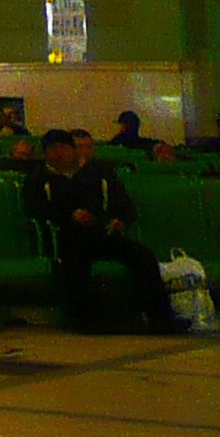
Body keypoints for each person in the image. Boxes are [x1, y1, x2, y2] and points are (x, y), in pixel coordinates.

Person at [22, 129, 180, 333]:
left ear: (72, 150)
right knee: (75, 261)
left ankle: (160, 320)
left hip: (101, 235)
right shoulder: (38, 179)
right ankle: (83, 321)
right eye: (53, 149)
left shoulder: (99, 173)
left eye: (63, 148)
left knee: (144, 256)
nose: (59, 153)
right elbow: (36, 210)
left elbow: (124, 205)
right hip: (64, 238)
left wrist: (119, 221)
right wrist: (69, 216)